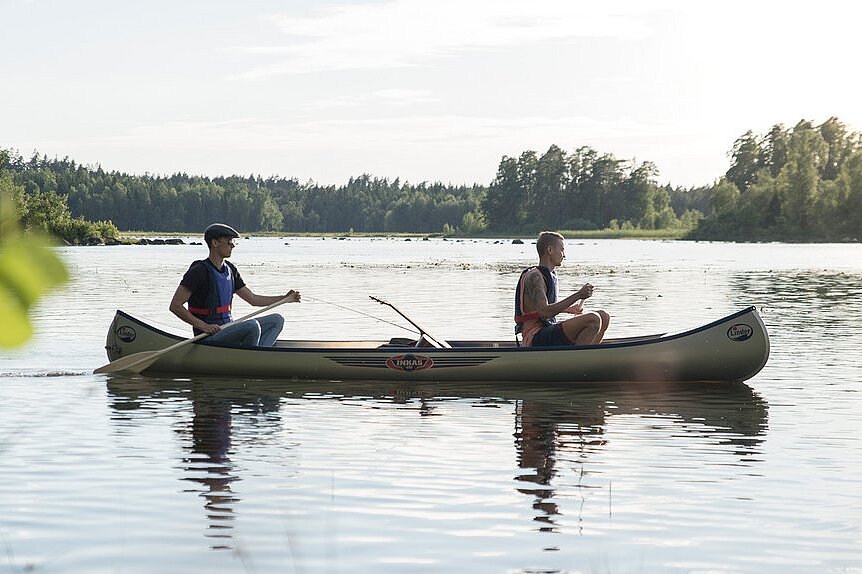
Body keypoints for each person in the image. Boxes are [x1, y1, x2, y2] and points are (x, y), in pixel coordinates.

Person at [169, 223, 300, 347]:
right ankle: (253, 357)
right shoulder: (198, 271)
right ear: (215, 243)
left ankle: (258, 355)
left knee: (277, 320)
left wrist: (285, 298)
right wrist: (204, 326)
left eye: (233, 242)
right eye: (229, 241)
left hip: (227, 329)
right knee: (252, 326)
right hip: (207, 336)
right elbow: (175, 306)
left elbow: (253, 299)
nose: (233, 245)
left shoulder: (230, 269)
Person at [514, 231, 609, 347]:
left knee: (604, 316)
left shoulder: (549, 275)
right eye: (562, 250)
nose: (564, 255)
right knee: (593, 319)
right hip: (535, 338)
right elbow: (544, 312)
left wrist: (569, 309)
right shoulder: (535, 277)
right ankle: (578, 356)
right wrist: (578, 295)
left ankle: (588, 353)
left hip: (546, 331)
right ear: (550, 250)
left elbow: (542, 309)